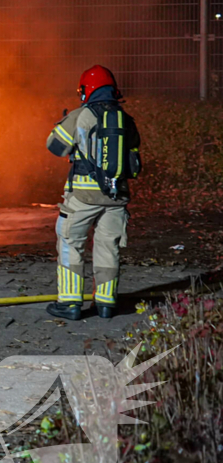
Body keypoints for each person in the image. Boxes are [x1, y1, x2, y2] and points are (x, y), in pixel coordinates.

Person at [45, 66, 141, 321]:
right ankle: (106, 304)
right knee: (108, 247)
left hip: (83, 198)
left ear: (86, 91)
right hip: (116, 197)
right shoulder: (126, 120)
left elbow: (55, 147)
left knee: (70, 243)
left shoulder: (80, 116)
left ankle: (70, 303)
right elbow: (133, 157)